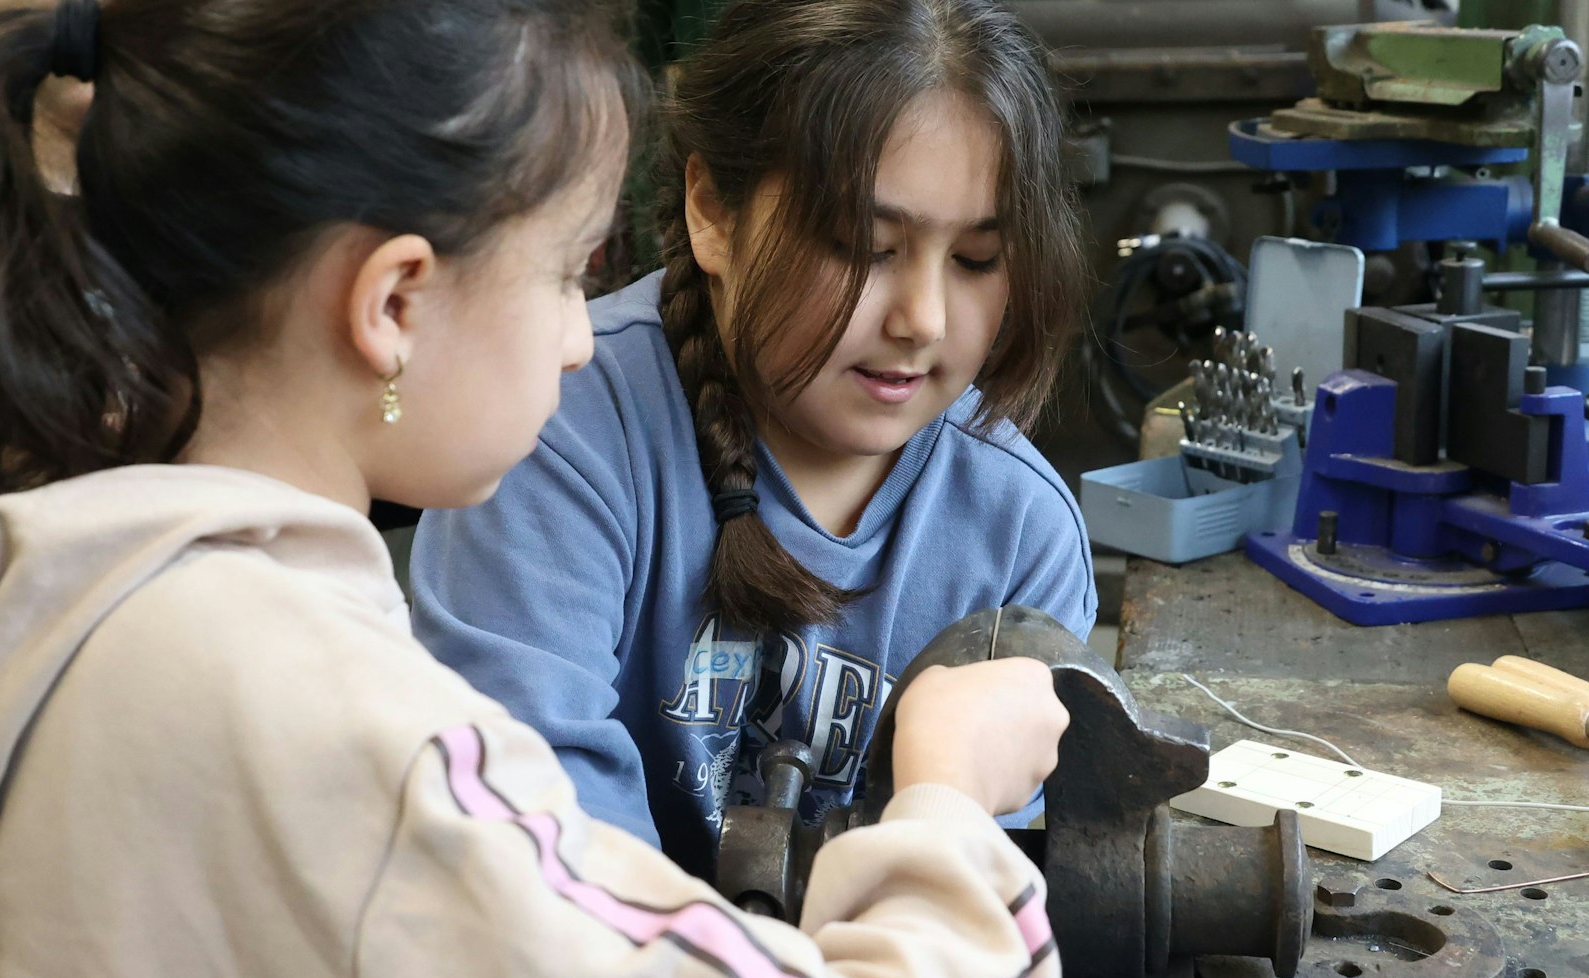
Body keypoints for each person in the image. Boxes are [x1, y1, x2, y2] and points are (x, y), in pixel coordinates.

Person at [0, 0, 1072, 978]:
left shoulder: (54, 597)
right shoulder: (355, 743)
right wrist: (945, 799)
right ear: (391, 303)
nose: (577, 336)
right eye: (564, 270)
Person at [410, 0, 1095, 879]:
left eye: (975, 260)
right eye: (863, 245)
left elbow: (1000, 909)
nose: (922, 320)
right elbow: (539, 870)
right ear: (712, 212)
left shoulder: (1020, 535)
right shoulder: (557, 428)